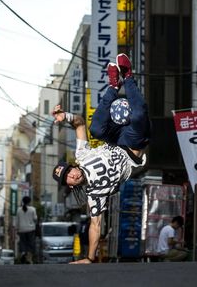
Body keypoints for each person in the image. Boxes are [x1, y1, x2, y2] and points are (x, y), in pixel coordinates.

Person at [52, 53, 151, 264]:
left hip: (115, 138)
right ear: (69, 185)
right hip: (133, 146)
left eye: (70, 170)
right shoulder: (94, 195)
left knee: (95, 129)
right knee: (139, 115)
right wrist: (89, 257)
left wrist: (65, 117)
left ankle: (114, 86)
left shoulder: (81, 156)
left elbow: (79, 123)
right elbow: (95, 226)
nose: (73, 173)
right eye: (68, 177)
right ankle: (128, 76)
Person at [16, 196, 37, 264]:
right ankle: (29, 259)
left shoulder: (19, 210)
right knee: (30, 244)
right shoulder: (33, 209)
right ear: (29, 202)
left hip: (21, 229)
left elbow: (17, 221)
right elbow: (35, 219)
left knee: (23, 243)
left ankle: (23, 254)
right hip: (30, 229)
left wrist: (17, 229)